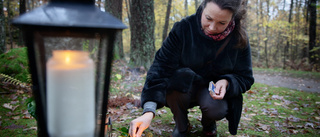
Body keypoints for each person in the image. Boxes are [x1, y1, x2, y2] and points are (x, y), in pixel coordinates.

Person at [129, 0, 254, 136]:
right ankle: (182, 126)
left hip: (211, 95)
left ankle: (208, 123)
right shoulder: (182, 29)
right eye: (208, 18)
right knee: (172, 85)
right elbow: (160, 69)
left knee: (216, 109)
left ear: (231, 19)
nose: (212, 27)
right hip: (182, 88)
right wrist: (148, 111)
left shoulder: (238, 38)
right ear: (202, 8)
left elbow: (245, 77)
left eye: (222, 23)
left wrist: (226, 82)